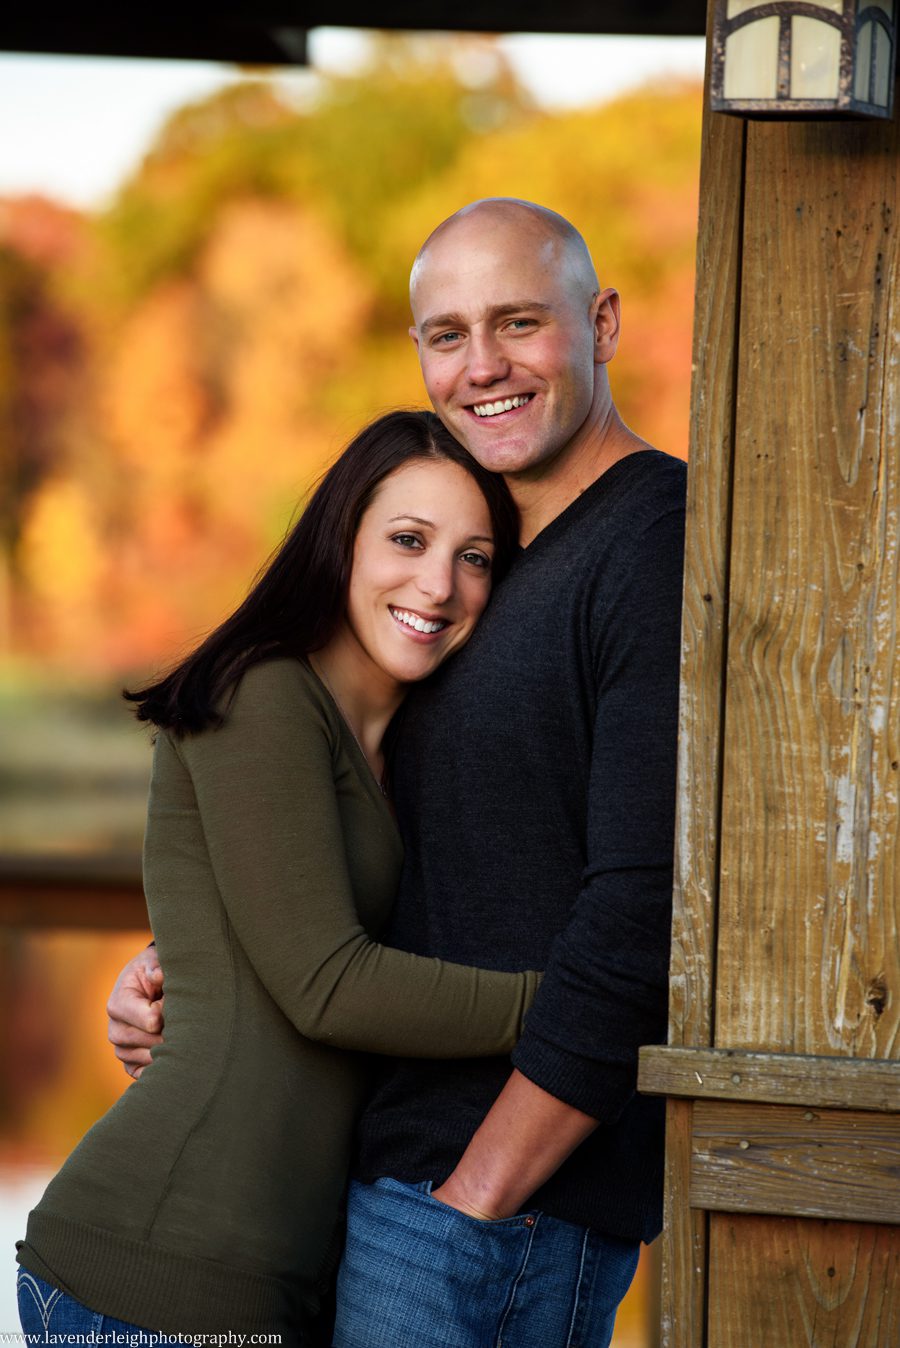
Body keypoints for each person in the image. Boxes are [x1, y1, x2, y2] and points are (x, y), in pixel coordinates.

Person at [108, 198, 687, 1348]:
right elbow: (408, 853)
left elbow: (644, 910)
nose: (484, 366)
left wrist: (476, 1198)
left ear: (603, 323)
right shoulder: (480, 562)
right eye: (447, 333)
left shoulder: (654, 542)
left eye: (519, 322)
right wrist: (191, 971)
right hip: (383, 1178)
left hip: (494, 1205)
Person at [15, 409, 543, 1345]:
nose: (439, 584)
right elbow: (325, 984)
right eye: (409, 540)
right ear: (342, 539)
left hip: (282, 1287)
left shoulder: (412, 746)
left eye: (475, 557)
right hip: (154, 1275)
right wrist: (572, 1011)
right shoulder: (262, 692)